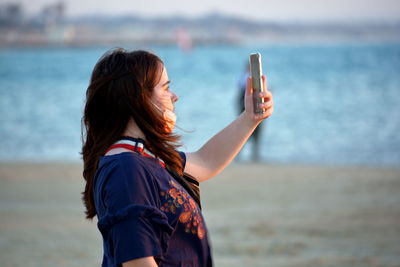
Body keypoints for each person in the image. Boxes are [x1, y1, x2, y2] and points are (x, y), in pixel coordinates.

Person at [81, 48, 273, 267]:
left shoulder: (146, 157)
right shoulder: (126, 169)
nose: (175, 96)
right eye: (165, 88)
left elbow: (206, 162)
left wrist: (250, 118)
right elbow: (138, 262)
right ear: (137, 98)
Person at [236, 62, 262, 161]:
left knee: (244, 133)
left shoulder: (243, 77)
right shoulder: (245, 78)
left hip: (246, 108)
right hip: (249, 108)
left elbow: (239, 93)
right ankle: (254, 155)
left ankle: (245, 155)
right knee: (253, 133)